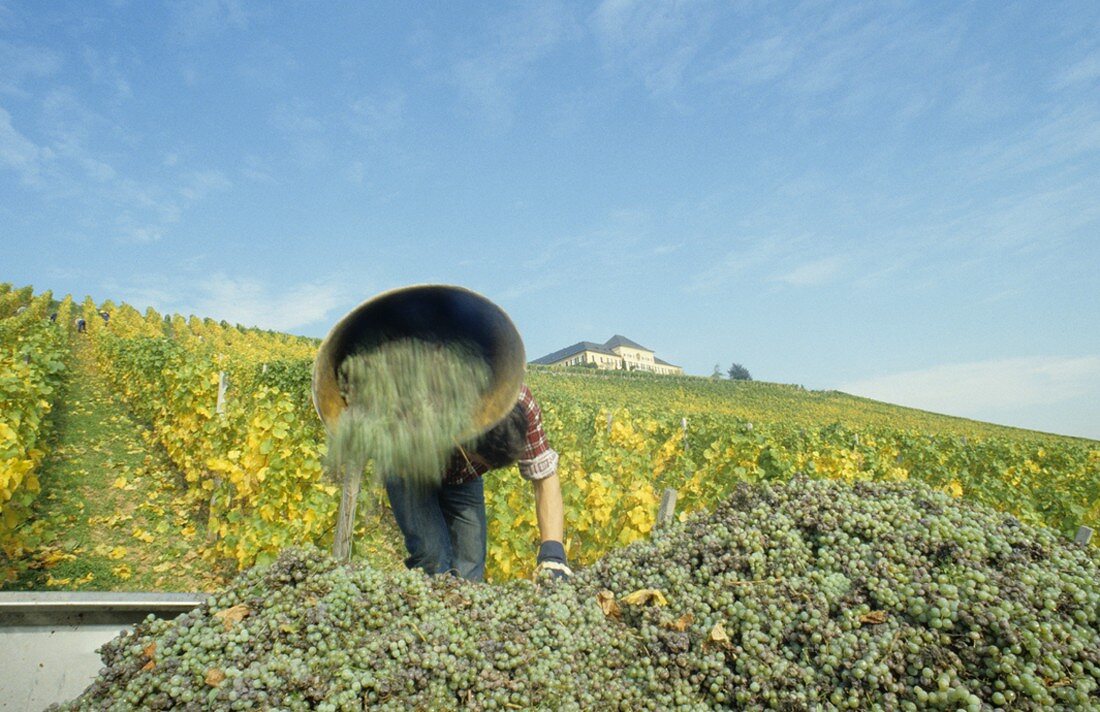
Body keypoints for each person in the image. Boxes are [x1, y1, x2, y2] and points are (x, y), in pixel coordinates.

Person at [383, 383, 571, 583]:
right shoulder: (425, 399)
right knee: (432, 558)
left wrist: (553, 554)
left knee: (471, 566)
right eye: (479, 460)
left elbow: (545, 476)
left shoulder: (522, 402)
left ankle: (464, 612)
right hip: (409, 468)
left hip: (464, 479)